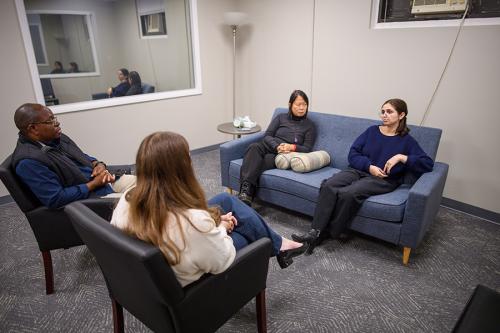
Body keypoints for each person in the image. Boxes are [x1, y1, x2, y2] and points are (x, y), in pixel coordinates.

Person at [110, 131, 306, 287]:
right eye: (189, 158)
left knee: (225, 199)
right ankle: (276, 246)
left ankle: (279, 244)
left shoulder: (128, 199)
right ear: (180, 169)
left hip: (155, 270)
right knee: (249, 234)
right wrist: (221, 227)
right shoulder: (192, 223)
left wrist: (214, 223)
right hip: (191, 285)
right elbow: (223, 258)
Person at [291, 98, 434, 254]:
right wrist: (369, 166)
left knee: (349, 193)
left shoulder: (407, 141)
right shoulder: (372, 131)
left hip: (383, 179)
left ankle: (329, 232)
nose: (384, 115)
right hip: (358, 170)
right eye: (383, 111)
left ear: (401, 115)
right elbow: (353, 153)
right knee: (329, 185)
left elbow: (427, 163)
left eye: (389, 112)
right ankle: (314, 232)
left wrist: (401, 157)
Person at [12, 103, 136, 209]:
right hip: (93, 199)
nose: (57, 123)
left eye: (54, 118)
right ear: (33, 128)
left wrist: (97, 164)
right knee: (147, 200)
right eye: (50, 121)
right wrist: (93, 184)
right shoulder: (29, 162)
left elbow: (81, 156)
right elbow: (55, 198)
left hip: (104, 183)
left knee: (151, 185)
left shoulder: (55, 138)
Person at [238, 89, 317, 205]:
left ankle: (246, 193)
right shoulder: (281, 117)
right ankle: (246, 193)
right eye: (298, 104)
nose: (302, 108)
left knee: (259, 161)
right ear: (290, 105)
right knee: (254, 147)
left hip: (282, 155)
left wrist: (292, 147)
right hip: (270, 146)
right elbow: (267, 135)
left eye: (304, 104)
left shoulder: (309, 126)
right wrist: (277, 146)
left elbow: (307, 148)